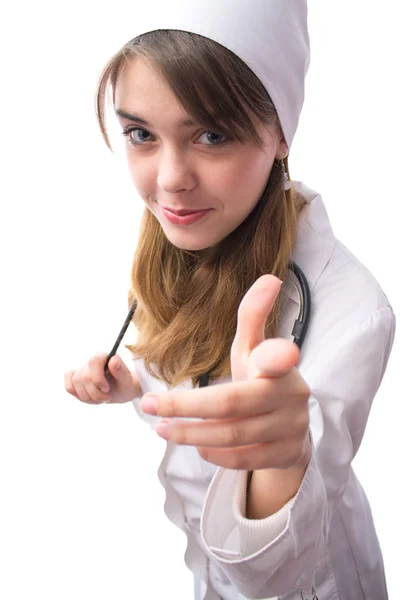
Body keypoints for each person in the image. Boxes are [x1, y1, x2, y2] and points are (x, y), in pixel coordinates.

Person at [64, 1, 396, 598]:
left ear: (279, 134)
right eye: (141, 133)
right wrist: (128, 378)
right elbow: (176, 358)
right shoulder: (186, 235)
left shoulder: (354, 311)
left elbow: (275, 573)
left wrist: (279, 464)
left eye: (211, 135)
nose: (169, 179)